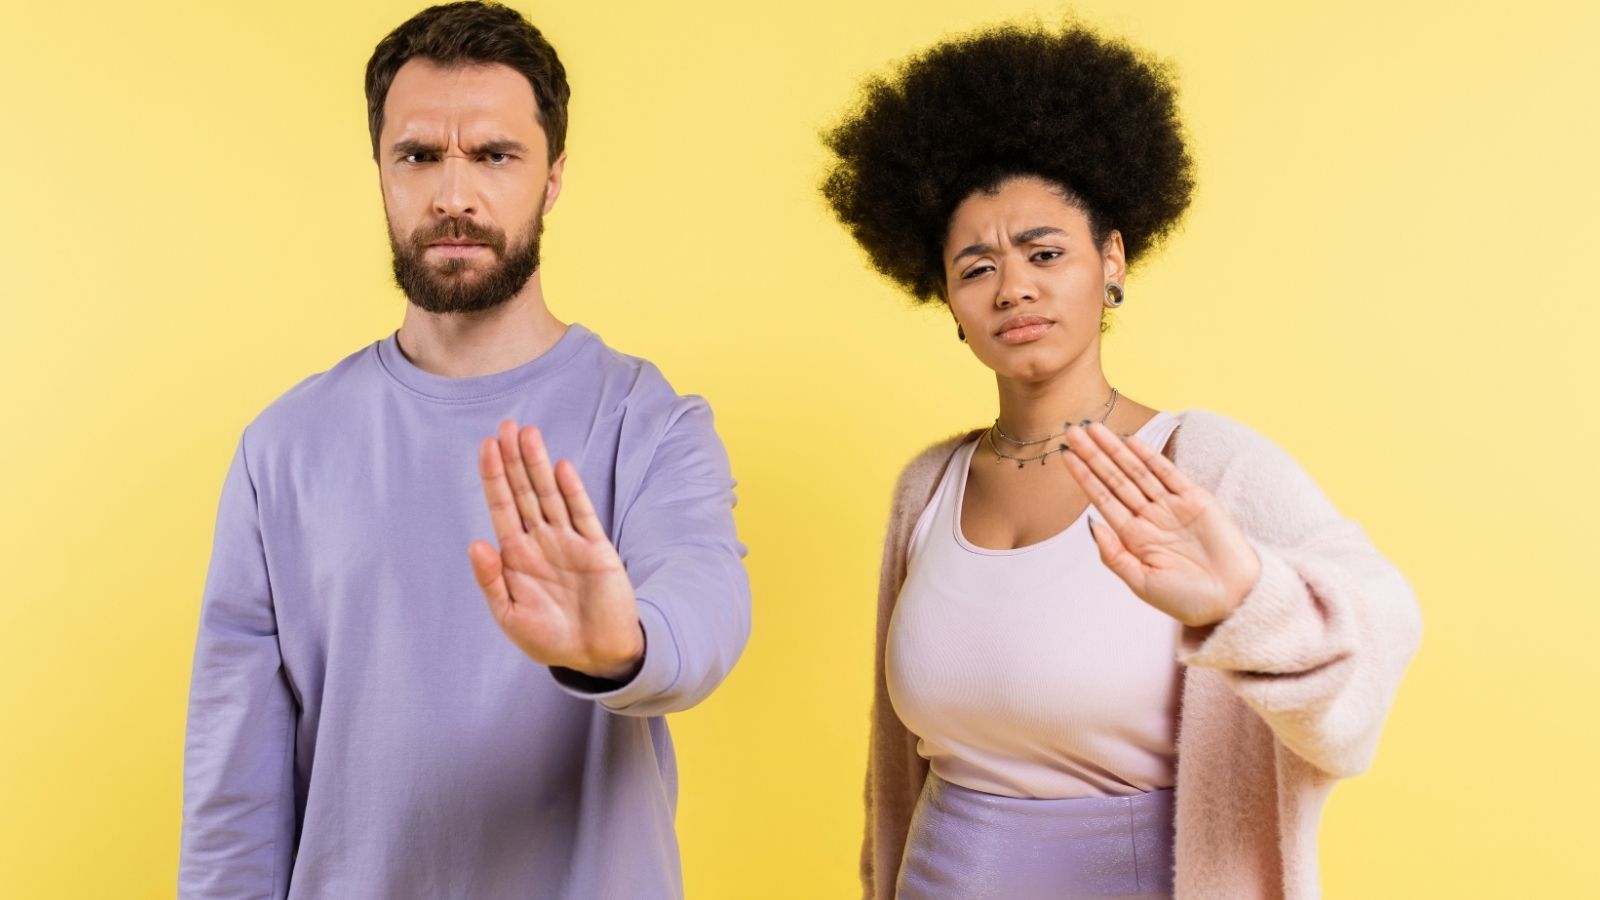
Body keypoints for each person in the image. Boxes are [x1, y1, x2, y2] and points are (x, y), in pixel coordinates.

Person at [821, 23, 1421, 900]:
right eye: (976, 266)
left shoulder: (1205, 465)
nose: (1013, 287)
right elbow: (896, 774)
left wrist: (1246, 603)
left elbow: (1379, 630)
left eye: (1045, 252)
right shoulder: (929, 489)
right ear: (947, 298)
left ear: (1112, 261)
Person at [178, 3, 750, 897]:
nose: (454, 196)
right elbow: (233, 791)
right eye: (418, 156)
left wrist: (620, 647)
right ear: (380, 170)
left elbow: (706, 607)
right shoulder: (283, 448)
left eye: (494, 155)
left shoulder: (649, 420)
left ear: (553, 176)